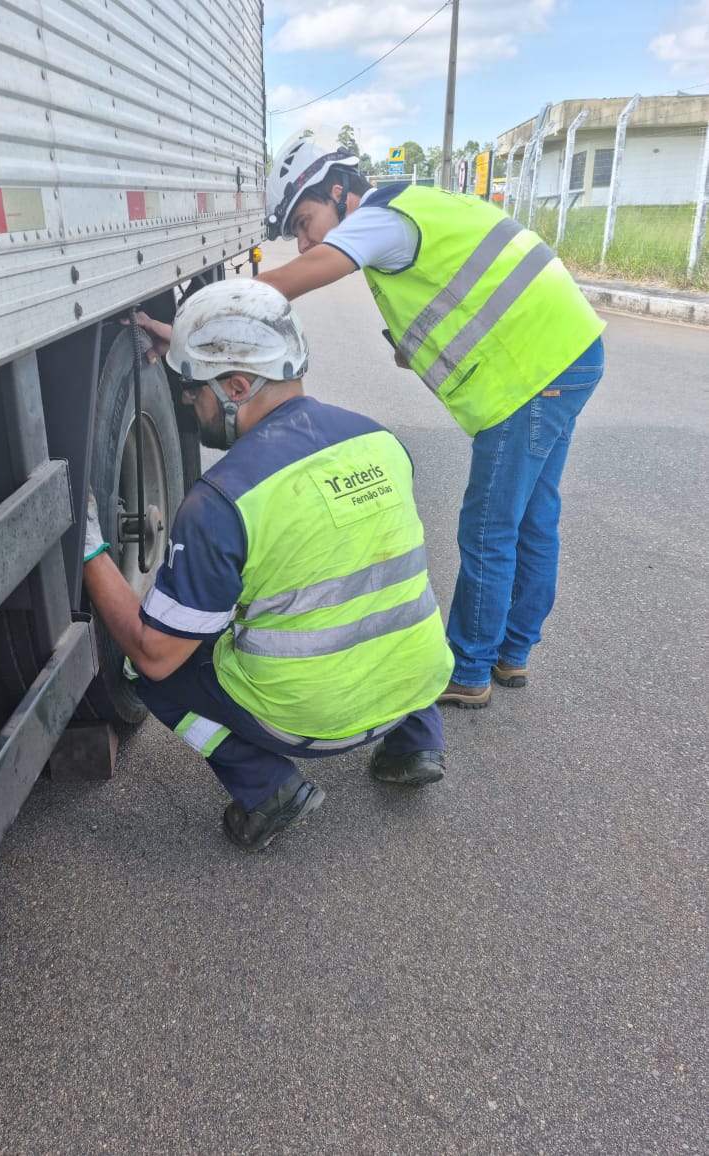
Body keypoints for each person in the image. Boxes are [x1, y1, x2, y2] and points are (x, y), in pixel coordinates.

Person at [83, 279, 454, 852]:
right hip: (420, 678)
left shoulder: (222, 501)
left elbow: (155, 656)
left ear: (237, 385)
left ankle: (267, 786)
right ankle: (415, 743)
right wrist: (187, 340)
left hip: (311, 721)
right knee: (380, 602)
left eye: (192, 389)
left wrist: (87, 548)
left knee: (146, 671)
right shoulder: (379, 442)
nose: (188, 402)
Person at [248, 134, 606, 708]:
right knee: (534, 517)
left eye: (305, 220)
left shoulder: (380, 219)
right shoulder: (419, 206)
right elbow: (453, 301)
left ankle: (468, 669)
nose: (303, 238)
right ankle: (511, 654)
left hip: (531, 372)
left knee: (490, 526)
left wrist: (208, 310)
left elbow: (297, 279)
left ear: (338, 192)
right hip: (571, 350)